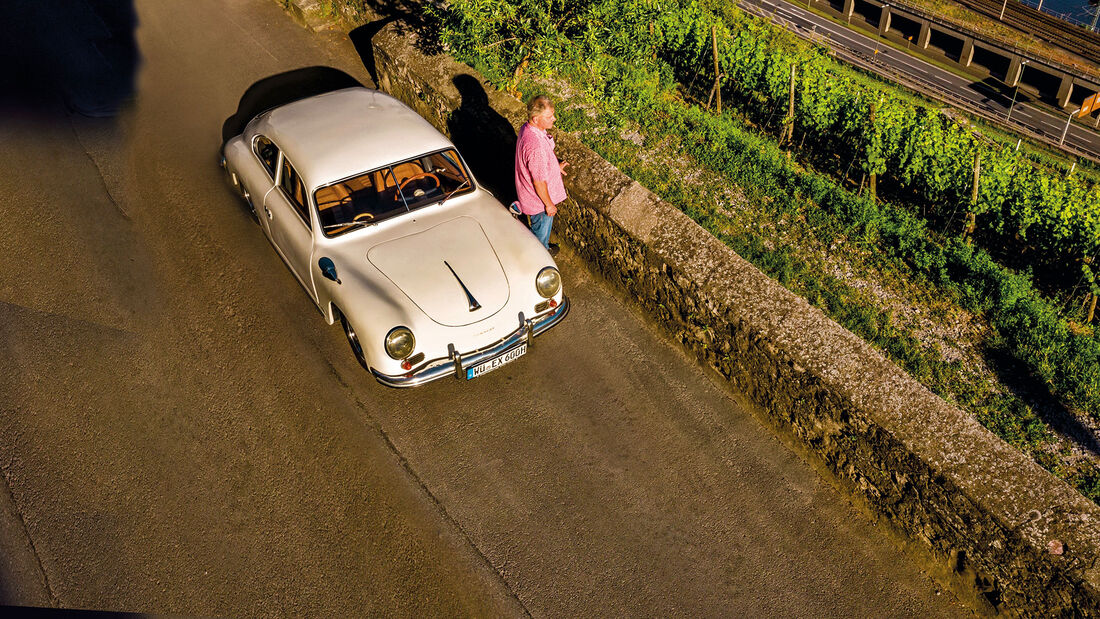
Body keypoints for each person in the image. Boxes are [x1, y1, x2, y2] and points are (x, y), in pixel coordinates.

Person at [514, 95, 568, 256]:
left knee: (540, 230)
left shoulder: (529, 129)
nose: (554, 119)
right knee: (540, 232)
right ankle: (540, 254)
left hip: (531, 196)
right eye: (549, 116)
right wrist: (549, 205)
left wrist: (554, 167)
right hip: (539, 202)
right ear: (535, 118)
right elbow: (539, 182)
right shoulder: (535, 146)